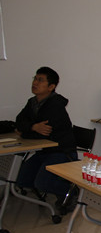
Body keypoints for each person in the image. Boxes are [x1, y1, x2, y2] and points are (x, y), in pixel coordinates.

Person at [15, 67, 76, 202]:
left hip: (61, 151)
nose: (35, 83)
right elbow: (19, 121)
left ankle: (74, 193)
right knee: (21, 179)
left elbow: (43, 134)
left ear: (51, 87)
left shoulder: (55, 105)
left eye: (40, 80)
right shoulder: (32, 102)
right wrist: (33, 127)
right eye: (35, 79)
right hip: (44, 151)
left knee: (43, 183)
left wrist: (24, 132)